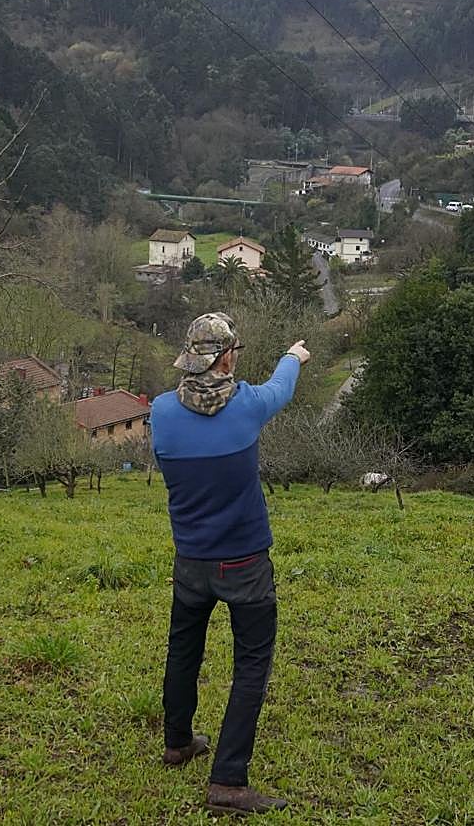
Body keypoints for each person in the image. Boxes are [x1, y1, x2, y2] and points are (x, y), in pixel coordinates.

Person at [150, 312, 310, 815]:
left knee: (183, 650)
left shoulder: (158, 411)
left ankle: (178, 742)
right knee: (251, 665)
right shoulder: (247, 406)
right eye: (233, 352)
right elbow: (281, 389)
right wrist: (294, 355)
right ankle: (227, 782)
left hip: (191, 561)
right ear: (225, 358)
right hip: (244, 563)